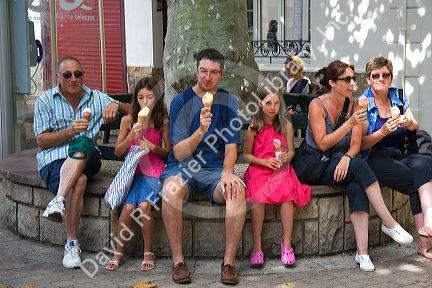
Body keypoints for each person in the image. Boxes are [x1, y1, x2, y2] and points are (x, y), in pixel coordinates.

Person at [306, 60, 413, 271]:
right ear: (332, 83)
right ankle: (389, 223)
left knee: (356, 182)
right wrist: (349, 124)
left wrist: (346, 157)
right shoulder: (317, 105)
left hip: (342, 162)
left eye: (353, 78)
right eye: (347, 79)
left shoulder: (356, 104)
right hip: (317, 162)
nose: (353, 83)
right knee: (360, 168)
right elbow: (322, 143)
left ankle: (362, 254)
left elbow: (356, 144)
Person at [33, 56, 130, 268]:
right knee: (79, 181)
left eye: (78, 74)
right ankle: (71, 244)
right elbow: (42, 140)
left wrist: (116, 107)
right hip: (54, 160)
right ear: (58, 77)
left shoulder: (95, 97)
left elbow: (133, 108)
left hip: (89, 157)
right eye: (67, 75)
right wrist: (69, 132)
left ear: (83, 75)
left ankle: (59, 199)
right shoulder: (45, 101)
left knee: (84, 142)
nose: (73, 79)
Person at [160, 48, 245, 285]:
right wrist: (200, 131)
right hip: (183, 168)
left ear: (221, 74)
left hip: (215, 169)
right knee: (170, 190)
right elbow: (178, 152)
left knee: (237, 190)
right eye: (203, 71)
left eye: (213, 72)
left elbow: (231, 147)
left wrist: (228, 173)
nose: (207, 77)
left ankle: (229, 264)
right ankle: (178, 262)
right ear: (196, 70)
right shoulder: (181, 102)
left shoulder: (229, 101)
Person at [360, 56, 432, 260]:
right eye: (375, 75)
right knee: (416, 179)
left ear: (391, 78)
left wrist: (408, 122)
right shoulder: (363, 103)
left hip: (398, 154)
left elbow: (415, 125)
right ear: (368, 79)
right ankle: (425, 239)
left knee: (426, 162)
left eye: (385, 75)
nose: (381, 79)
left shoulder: (397, 97)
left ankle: (428, 224)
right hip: (373, 157)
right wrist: (382, 131)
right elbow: (360, 144)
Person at [105, 77, 170, 271]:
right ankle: (118, 252)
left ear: (156, 99)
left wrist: (154, 147)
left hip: (154, 173)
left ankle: (148, 252)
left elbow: (168, 152)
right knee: (126, 209)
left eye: (149, 97)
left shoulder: (162, 122)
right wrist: (131, 137)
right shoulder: (128, 121)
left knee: (143, 207)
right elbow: (118, 151)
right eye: (141, 98)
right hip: (133, 173)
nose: (145, 102)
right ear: (136, 100)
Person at [243, 87, 311, 268]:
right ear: (259, 104)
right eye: (268, 103)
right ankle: (257, 246)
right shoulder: (254, 127)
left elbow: (291, 151)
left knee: (287, 191)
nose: (272, 108)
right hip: (259, 168)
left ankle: (286, 244)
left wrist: (284, 159)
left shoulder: (285, 125)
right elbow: (246, 156)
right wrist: (264, 162)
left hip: (280, 168)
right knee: (257, 194)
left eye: (276, 103)